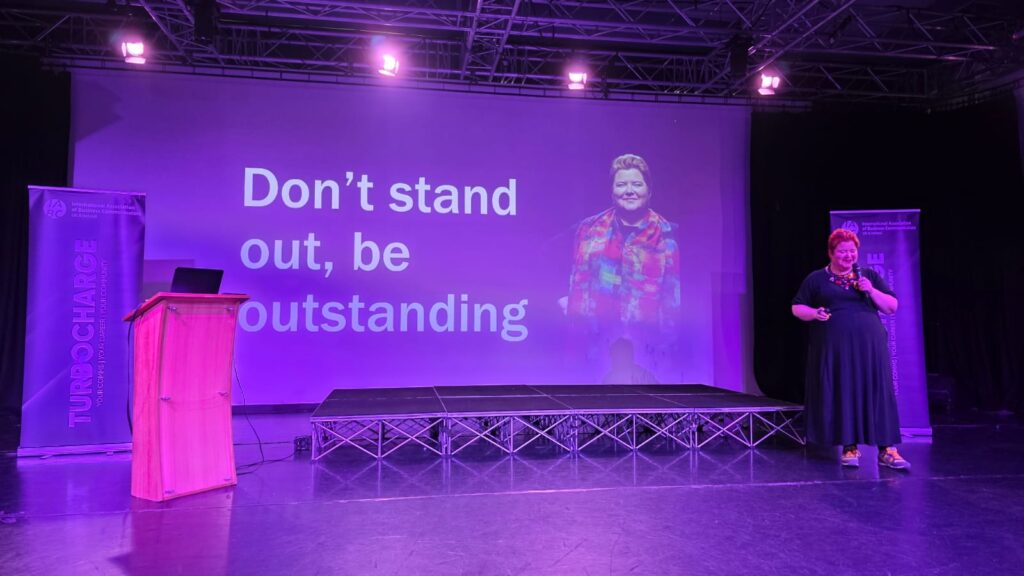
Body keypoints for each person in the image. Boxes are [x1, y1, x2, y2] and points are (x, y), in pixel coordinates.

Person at [791, 228, 910, 470]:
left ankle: (887, 449)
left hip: (870, 348)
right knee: (845, 391)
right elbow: (797, 307)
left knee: (878, 392)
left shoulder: (868, 276)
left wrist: (871, 290)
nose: (848, 256)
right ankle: (849, 445)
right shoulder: (817, 279)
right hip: (836, 350)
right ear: (831, 253)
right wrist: (814, 313)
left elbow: (891, 307)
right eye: (843, 251)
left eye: (852, 251)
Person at [566, 154, 680, 334]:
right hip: (594, 340)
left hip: (648, 345)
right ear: (612, 192)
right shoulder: (588, 228)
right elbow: (545, 254)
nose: (629, 191)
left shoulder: (671, 234)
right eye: (621, 185)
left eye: (637, 184)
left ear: (649, 191)